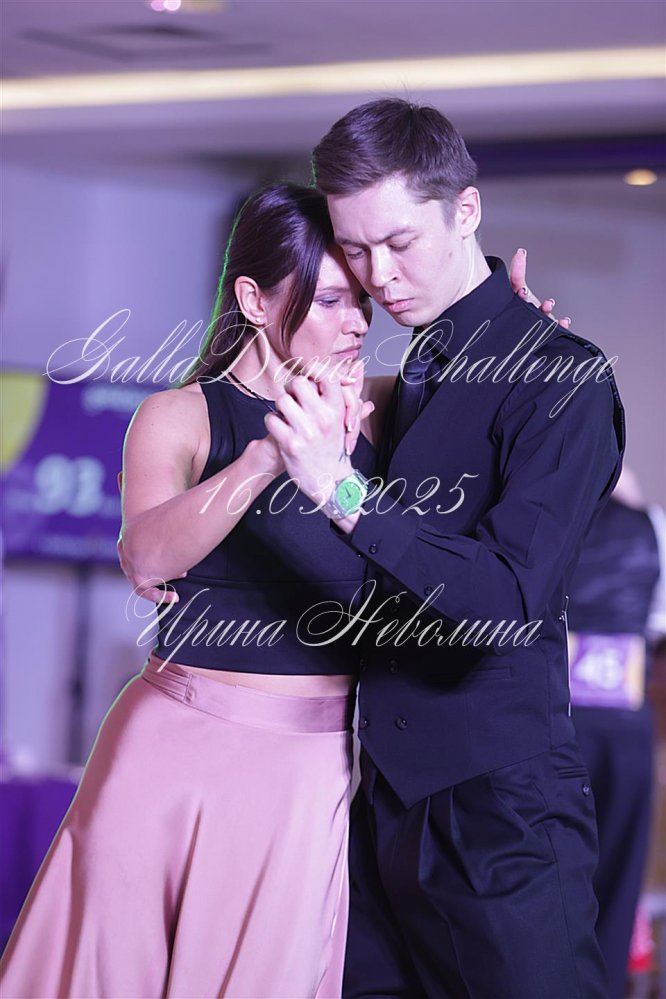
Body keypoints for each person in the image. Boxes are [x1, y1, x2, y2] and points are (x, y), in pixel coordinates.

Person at [265, 99, 626, 998]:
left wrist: (345, 493)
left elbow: (504, 599)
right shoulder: (415, 376)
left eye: (399, 243)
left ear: (466, 211)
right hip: (381, 803)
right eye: (355, 249)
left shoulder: (562, 375)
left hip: (503, 809)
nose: (378, 276)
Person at [0, 183, 376, 999]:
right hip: (174, 746)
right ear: (254, 298)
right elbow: (145, 554)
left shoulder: (378, 414)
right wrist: (269, 454)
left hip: (311, 763)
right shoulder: (180, 416)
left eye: (364, 301)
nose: (357, 322)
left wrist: (519, 324)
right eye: (333, 299)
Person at [567, 466, 665, 998]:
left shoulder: (546, 523)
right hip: (624, 724)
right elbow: (658, 624)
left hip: (556, 718)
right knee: (619, 876)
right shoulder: (654, 530)